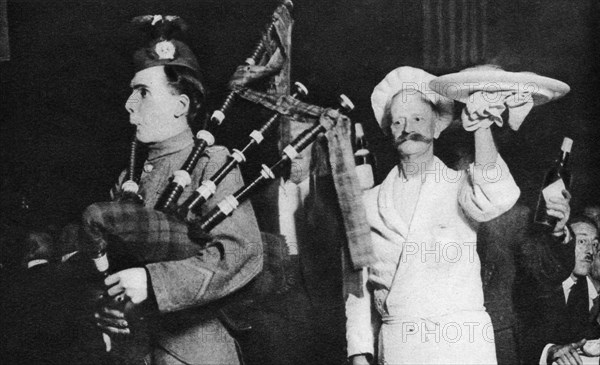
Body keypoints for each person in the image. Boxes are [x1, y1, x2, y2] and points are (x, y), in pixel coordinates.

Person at [94, 15, 262, 365]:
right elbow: (107, 260)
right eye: (131, 91)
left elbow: (241, 252)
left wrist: (153, 283)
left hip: (196, 352)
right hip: (135, 351)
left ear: (181, 106)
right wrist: (103, 304)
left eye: (143, 92)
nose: (130, 104)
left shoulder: (212, 163)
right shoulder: (130, 175)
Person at [345, 66, 520, 364]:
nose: (406, 127)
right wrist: (359, 352)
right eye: (397, 121)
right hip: (401, 344)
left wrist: (481, 128)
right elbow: (357, 284)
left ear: (437, 127)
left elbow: (496, 196)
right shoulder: (369, 203)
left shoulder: (459, 185)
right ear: (389, 132)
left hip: (461, 341)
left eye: (417, 118)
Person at [234, 118, 347, 365]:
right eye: (287, 140)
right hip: (275, 313)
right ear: (278, 145)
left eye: (302, 139)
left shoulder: (337, 194)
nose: (293, 148)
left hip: (328, 312)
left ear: (316, 146)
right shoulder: (258, 196)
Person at [521, 216, 600, 365]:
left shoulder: (581, 287)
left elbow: (586, 334)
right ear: (563, 242)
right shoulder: (536, 282)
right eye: (582, 241)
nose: (590, 251)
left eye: (595, 244)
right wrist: (549, 351)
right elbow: (519, 338)